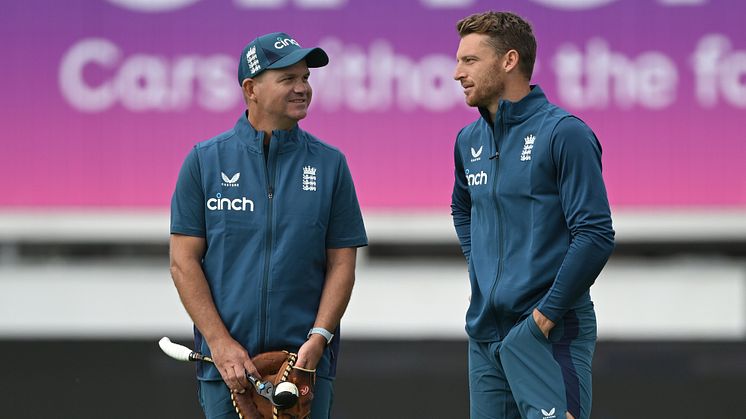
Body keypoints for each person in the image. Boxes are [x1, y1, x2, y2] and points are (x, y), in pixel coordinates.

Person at [169, 31, 368, 419]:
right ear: (251, 88)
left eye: (306, 78)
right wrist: (220, 343)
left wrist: (318, 340)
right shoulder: (204, 162)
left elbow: (342, 264)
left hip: (304, 368)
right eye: (288, 78)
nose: (302, 88)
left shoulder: (331, 165)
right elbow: (183, 263)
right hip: (226, 369)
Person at [450, 11, 615, 419]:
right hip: (485, 336)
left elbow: (595, 234)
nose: (457, 73)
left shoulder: (565, 133)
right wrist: (484, 271)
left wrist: (544, 316)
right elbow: (462, 208)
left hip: (548, 333)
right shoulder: (468, 139)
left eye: (470, 60)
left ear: (508, 61)